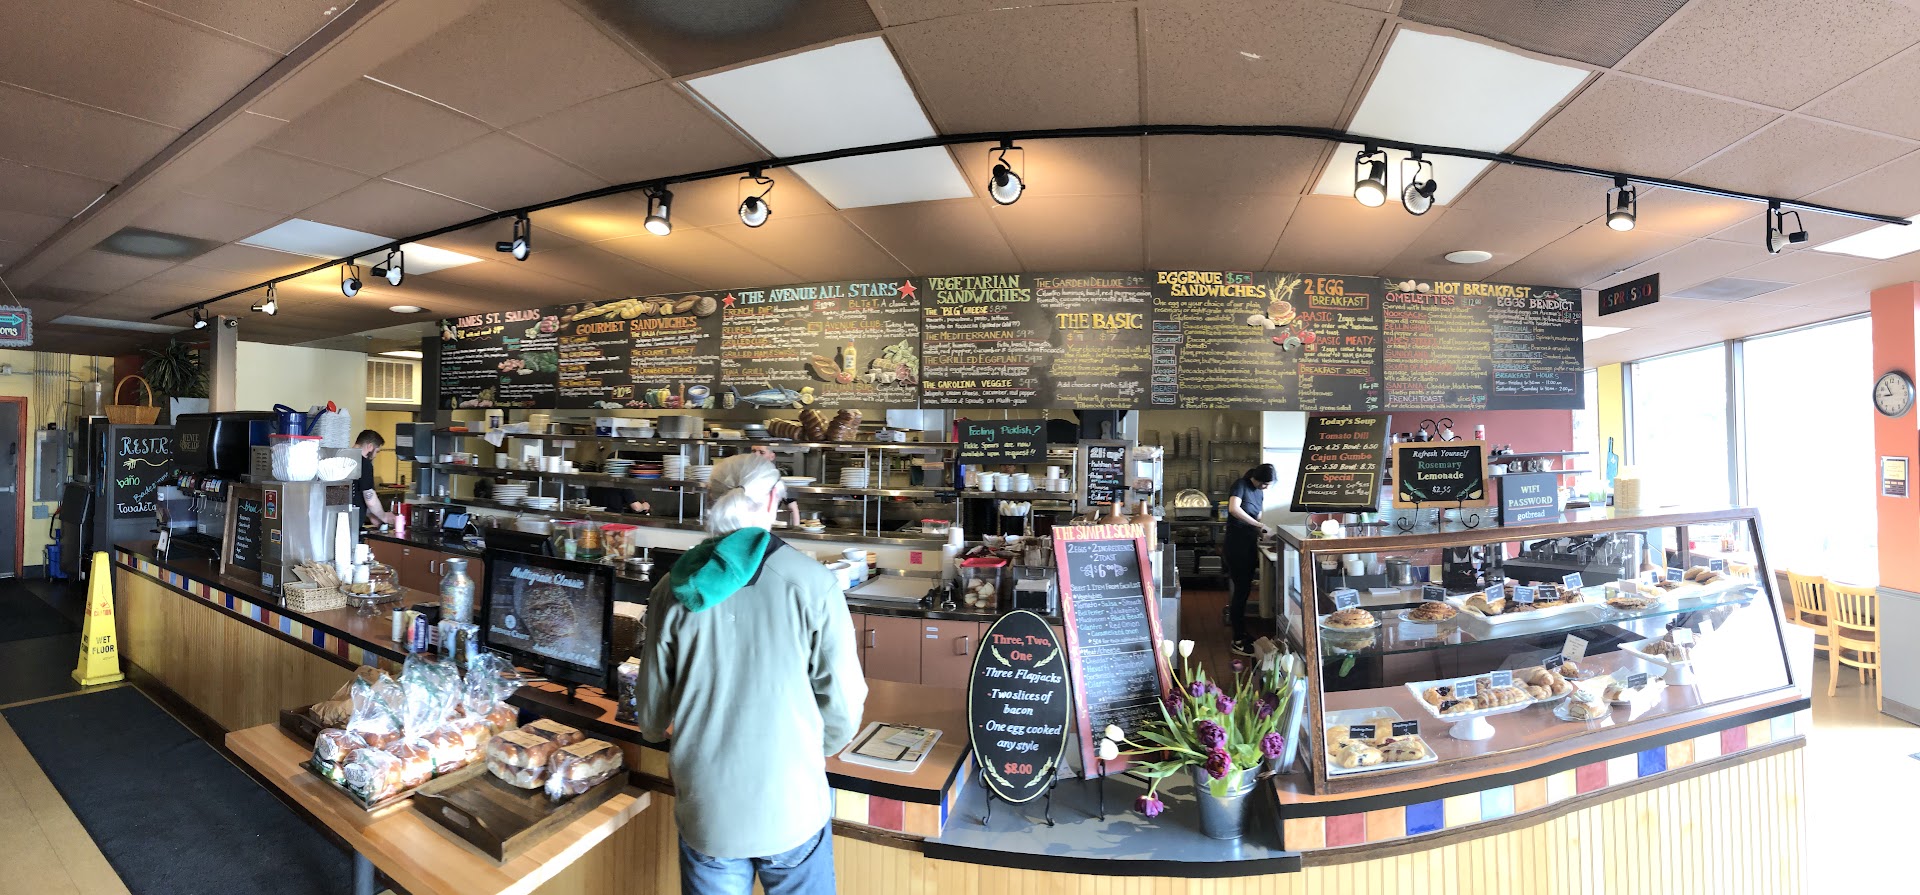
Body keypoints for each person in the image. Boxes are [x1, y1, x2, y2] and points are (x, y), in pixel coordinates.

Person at [638, 453, 866, 895]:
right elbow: (844, 697)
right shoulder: (812, 582)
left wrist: (652, 731)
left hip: (709, 808)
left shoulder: (673, 588)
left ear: (711, 501)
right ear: (774, 502)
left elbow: (652, 703)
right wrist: (814, 748)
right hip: (792, 803)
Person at [1223, 463, 1275, 656]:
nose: (1266, 487)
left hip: (1249, 546)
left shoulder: (1259, 493)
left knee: (1244, 592)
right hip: (1236, 546)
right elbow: (1234, 509)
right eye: (1265, 483)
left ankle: (1242, 633)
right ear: (1257, 478)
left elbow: (1255, 519)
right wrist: (1259, 525)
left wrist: (1264, 533)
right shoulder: (1241, 485)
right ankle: (1237, 639)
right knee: (1240, 592)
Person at [354, 430, 393, 527]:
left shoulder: (342, 458)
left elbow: (354, 495)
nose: (375, 456)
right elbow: (370, 499)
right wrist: (384, 516)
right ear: (370, 446)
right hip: (352, 523)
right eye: (376, 451)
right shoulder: (364, 464)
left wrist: (371, 514)